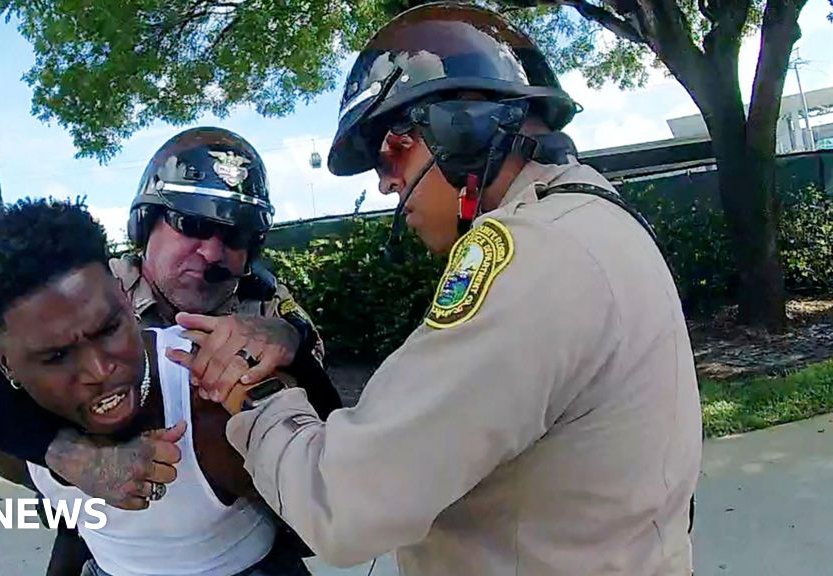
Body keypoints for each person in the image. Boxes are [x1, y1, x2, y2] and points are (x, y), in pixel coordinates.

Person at [168, 3, 703, 575]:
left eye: (392, 149)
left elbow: (343, 503)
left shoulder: (530, 258)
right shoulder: (597, 219)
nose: (385, 182)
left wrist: (254, 393)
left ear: (461, 126)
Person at [0, 127, 341, 575]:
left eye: (236, 236)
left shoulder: (267, 306)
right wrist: (70, 456)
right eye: (193, 225)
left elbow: (326, 459)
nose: (212, 253)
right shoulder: (89, 279)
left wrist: (287, 341)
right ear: (146, 224)